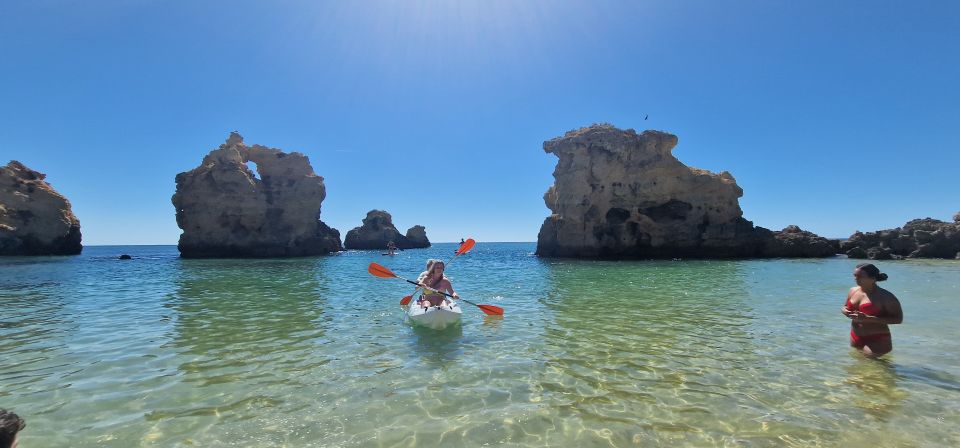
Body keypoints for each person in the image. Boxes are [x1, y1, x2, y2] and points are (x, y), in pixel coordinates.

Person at [842, 263, 903, 357]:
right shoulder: (853, 291)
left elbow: (898, 319)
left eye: (860, 276)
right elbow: (845, 306)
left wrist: (869, 318)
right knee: (857, 366)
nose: (856, 279)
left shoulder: (886, 297)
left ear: (873, 279)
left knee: (876, 369)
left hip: (878, 339)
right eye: (855, 276)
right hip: (856, 335)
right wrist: (845, 311)